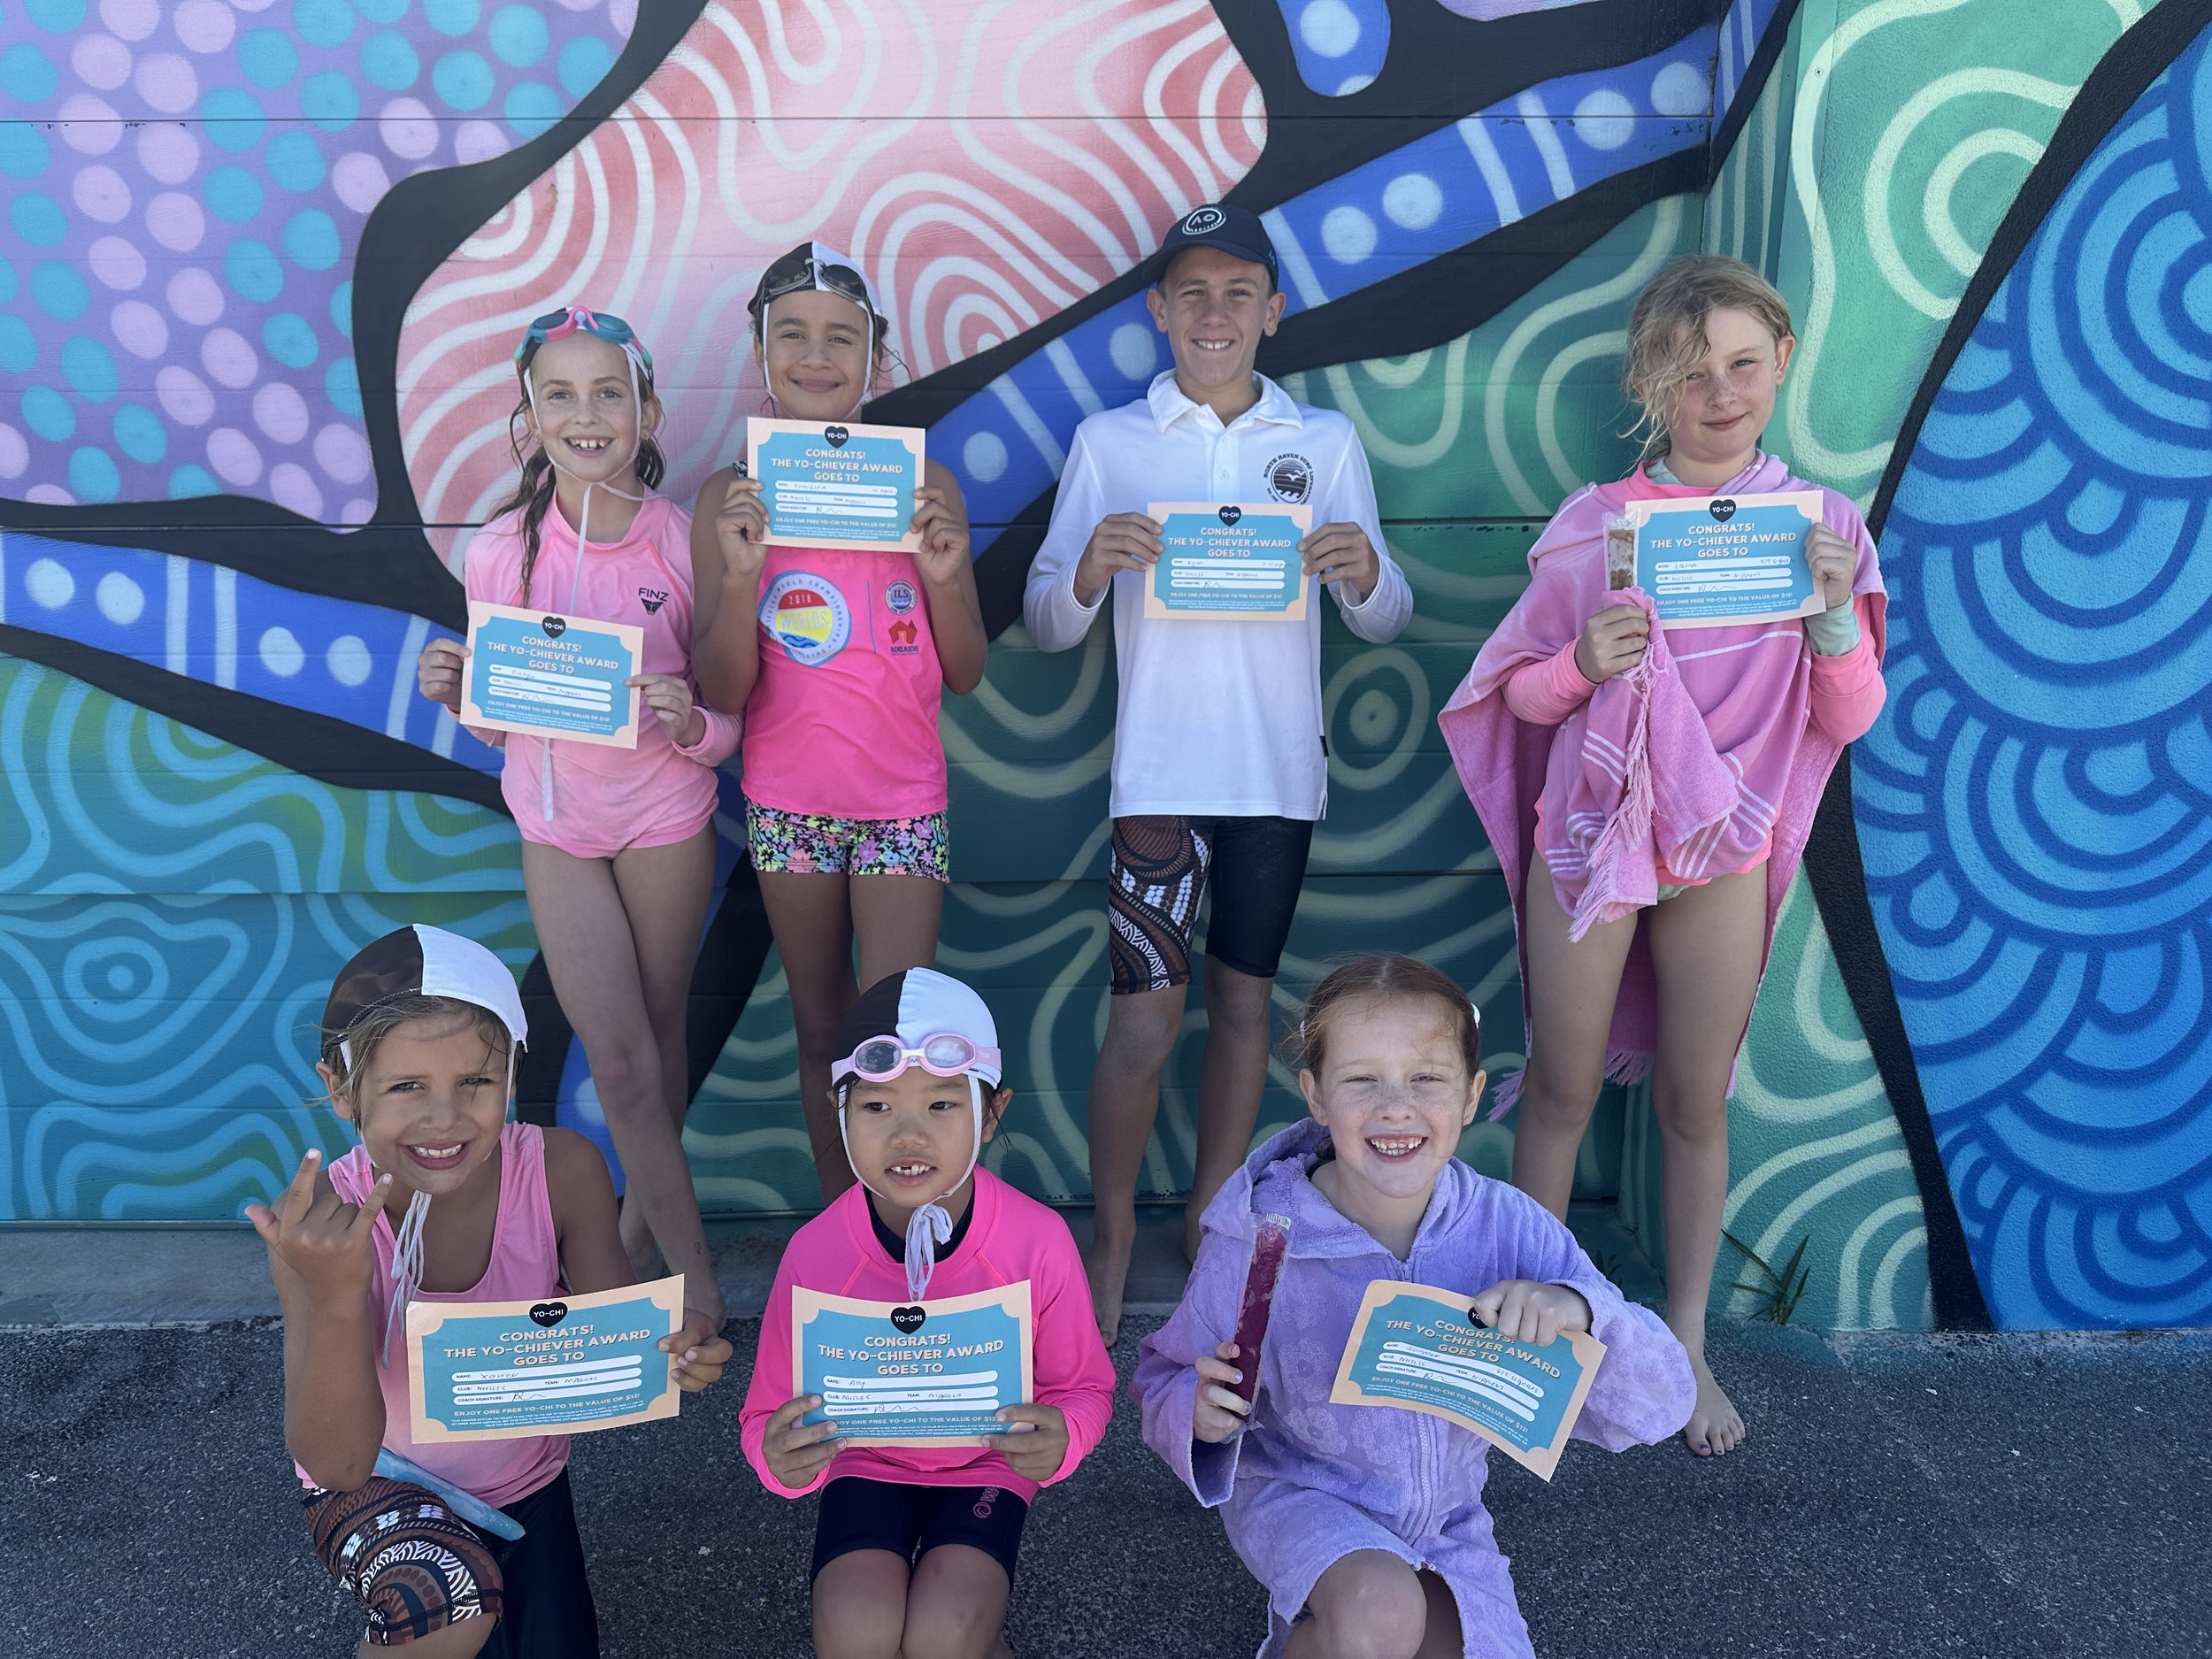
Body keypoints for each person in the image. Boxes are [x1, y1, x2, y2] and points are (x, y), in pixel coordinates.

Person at [1438, 255, 1887, 1456]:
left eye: (1743, 364)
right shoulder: (1600, 525)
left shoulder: (1821, 528)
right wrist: (1583, 659)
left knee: (1695, 1099)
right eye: (1693, 372)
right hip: (1593, 838)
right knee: (1564, 1086)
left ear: (1781, 363)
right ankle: (1525, 1344)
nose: (1722, 391)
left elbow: (1847, 719)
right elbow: (1516, 698)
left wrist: (1834, 616)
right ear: (1653, 383)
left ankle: (1684, 1339)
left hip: (1722, 849)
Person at [1023, 204, 1414, 1344]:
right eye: (1191, 293)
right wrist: (1090, 568)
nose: (1214, 313)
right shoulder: (1112, 444)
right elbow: (1047, 626)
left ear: (1272, 310)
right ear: (1157, 311)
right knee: (1142, 1024)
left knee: (1245, 1011)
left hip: (1276, 784)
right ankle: (1106, 1232)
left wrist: (1361, 573)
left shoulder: (1324, 444)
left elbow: (1387, 620)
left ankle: (1207, 1224)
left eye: (1238, 291)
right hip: (1155, 781)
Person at [1133, 954, 1693, 1659]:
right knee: (1378, 1608)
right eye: (1362, 1080)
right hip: (1299, 1493)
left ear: (1470, 1095)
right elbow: (1163, 1375)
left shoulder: (1509, 1228)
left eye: (1426, 1078)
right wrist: (1198, 1410)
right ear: (1315, 1096)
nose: (1396, 1106)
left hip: (1447, 1520)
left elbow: (1663, 1397)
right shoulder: (1260, 1238)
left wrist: (1579, 1309)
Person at [248, 923, 732, 1655]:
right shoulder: (320, 1227)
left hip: (527, 1483)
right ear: (341, 1089)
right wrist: (341, 1290)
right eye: (407, 1085)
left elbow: (619, 1343)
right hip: (383, 1484)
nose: (444, 1118)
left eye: (475, 1080)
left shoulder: (561, 1171)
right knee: (447, 1599)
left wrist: (674, 1348)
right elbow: (338, 1462)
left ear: (514, 1071)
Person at [416, 306, 737, 1327]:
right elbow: (507, 730)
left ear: (645, 410)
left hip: (665, 823)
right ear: (529, 415)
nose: (585, 414)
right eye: (561, 394)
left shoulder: (685, 543)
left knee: (657, 1047)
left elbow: (733, 716)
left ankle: (645, 1233)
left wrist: (691, 721)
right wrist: (458, 696)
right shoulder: (498, 552)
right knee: (626, 1060)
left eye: (609, 393)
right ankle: (694, 1288)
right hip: (557, 831)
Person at [689, 244, 988, 1204]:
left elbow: (970, 670)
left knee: (894, 1042)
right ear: (760, 351)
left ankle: (916, 1240)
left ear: (878, 359)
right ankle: (844, 1234)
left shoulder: (924, 483)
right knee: (822, 1029)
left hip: (903, 803)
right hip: (788, 805)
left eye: (841, 337)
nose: (817, 356)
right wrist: (740, 574)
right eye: (794, 335)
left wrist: (943, 575)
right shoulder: (727, 497)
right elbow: (722, 689)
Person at [741, 968, 1116, 1659]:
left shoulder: (1037, 1242)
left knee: (945, 1635)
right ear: (839, 1110)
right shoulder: (815, 1254)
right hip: (864, 1460)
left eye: (942, 1106)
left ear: (992, 1112)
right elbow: (765, 1414)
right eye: (877, 1107)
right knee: (857, 1632)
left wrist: (1064, 1440)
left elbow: (1085, 1387)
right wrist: (778, 1461)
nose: (907, 1134)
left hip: (986, 1465)